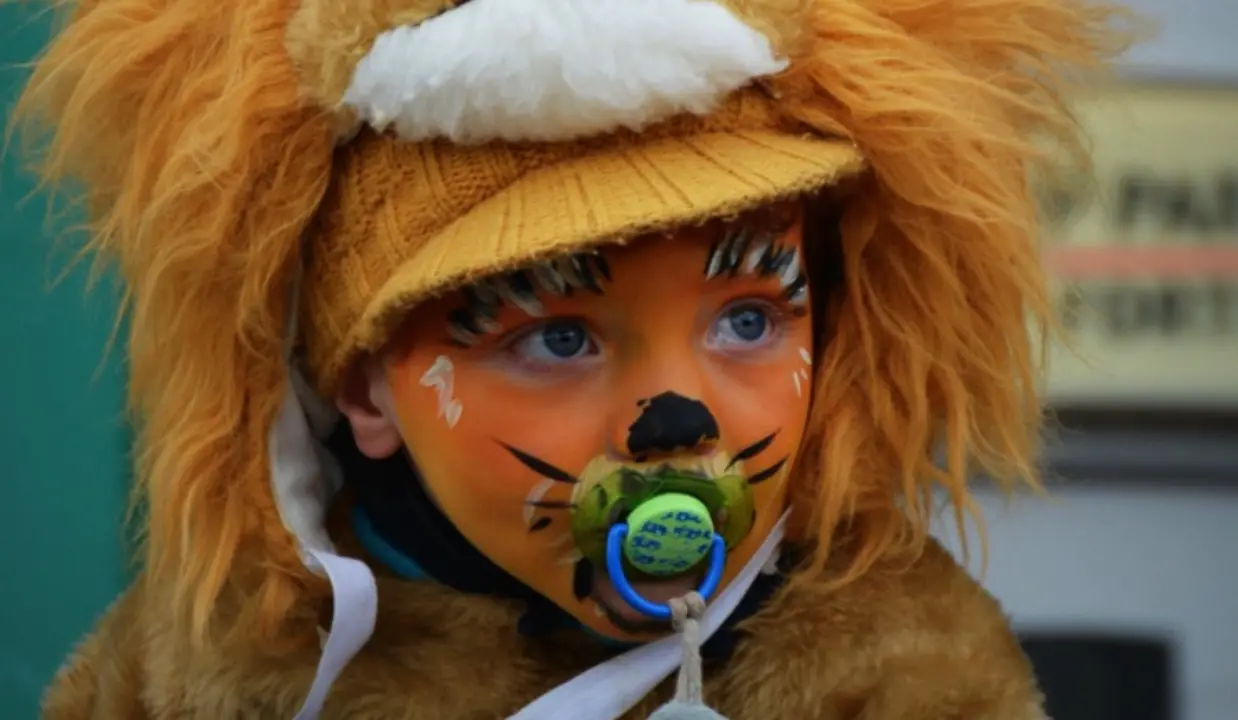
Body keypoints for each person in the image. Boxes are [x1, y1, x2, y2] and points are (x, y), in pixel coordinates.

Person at [15, 0, 1129, 717]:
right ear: (362, 386)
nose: (677, 419)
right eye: (555, 337)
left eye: (747, 318)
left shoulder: (904, 678)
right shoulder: (186, 684)